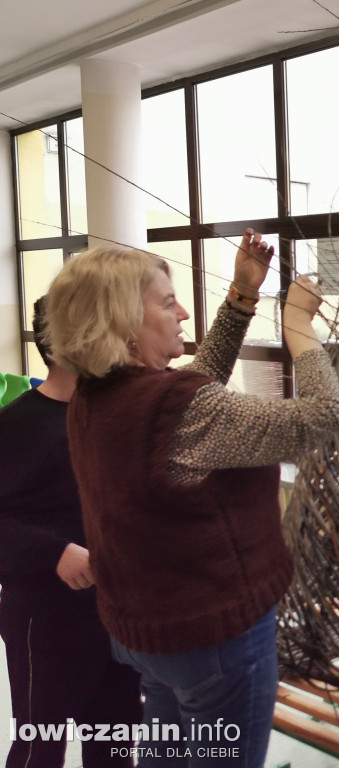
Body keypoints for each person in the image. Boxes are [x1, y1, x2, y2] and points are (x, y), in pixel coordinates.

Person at [44, 230, 339, 768]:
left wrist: (242, 295)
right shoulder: (177, 409)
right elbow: (323, 419)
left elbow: (186, 394)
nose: (183, 312)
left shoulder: (94, 396)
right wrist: (299, 329)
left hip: (148, 637)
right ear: (121, 322)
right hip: (214, 639)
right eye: (166, 302)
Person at [0, 298, 142, 768]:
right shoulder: (15, 425)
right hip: (44, 619)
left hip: (114, 614)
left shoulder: (111, 417)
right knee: (40, 747)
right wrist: (53, 551)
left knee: (116, 745)